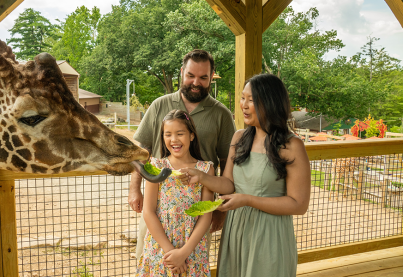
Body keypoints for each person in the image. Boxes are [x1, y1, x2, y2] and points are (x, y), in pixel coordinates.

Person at [180, 73, 311, 276]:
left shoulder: (292, 145)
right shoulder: (239, 138)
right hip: (237, 229)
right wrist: (202, 177)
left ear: (271, 103)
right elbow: (229, 184)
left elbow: (299, 204)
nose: (244, 105)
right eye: (243, 98)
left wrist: (247, 200)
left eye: (252, 100)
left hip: (270, 233)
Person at [129, 49, 236, 261]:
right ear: (181, 72)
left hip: (198, 208)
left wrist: (221, 209)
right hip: (158, 204)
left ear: (211, 77)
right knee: (150, 258)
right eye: (190, 76)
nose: (196, 82)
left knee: (189, 262)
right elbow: (141, 152)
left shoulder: (221, 113)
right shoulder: (160, 104)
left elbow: (227, 163)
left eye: (203, 77)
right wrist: (134, 189)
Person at [137, 110, 214, 276]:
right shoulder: (156, 166)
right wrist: (171, 253)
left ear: (192, 136)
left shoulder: (205, 169)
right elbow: (149, 212)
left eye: (180, 134)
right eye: (168, 134)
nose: (174, 140)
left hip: (192, 249)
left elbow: (206, 216)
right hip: (161, 249)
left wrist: (184, 253)